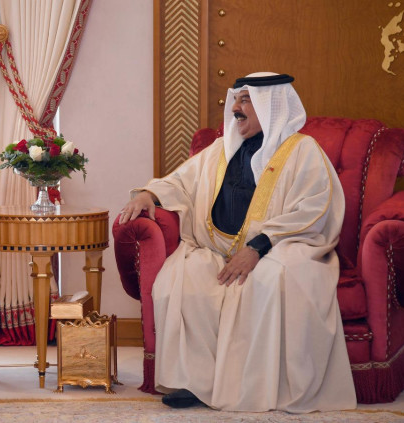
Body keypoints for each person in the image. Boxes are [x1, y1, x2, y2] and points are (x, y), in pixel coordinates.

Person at [118, 72, 356, 412]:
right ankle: (194, 382)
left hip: (281, 247)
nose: (235, 109)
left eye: (246, 101)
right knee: (180, 279)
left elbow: (314, 209)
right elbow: (180, 181)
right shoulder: (221, 148)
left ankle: (257, 386)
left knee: (266, 279)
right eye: (236, 100)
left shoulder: (302, 151)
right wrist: (148, 194)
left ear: (270, 105)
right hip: (217, 247)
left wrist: (257, 248)